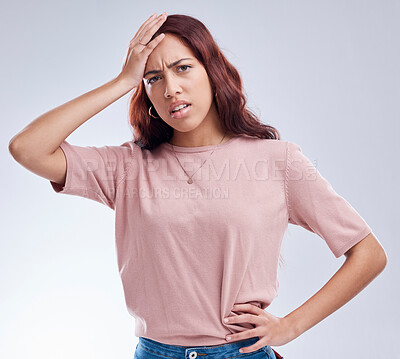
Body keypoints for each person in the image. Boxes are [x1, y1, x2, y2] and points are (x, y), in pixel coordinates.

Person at [8, 12, 387, 359]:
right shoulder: (127, 166)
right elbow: (26, 148)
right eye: (154, 78)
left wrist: (291, 326)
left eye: (182, 68)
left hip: (242, 352)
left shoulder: (277, 160)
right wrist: (122, 81)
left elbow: (368, 253)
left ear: (212, 71)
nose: (170, 88)